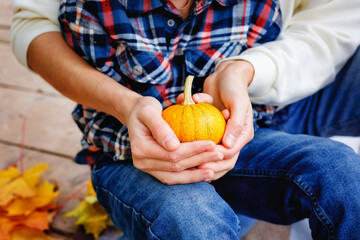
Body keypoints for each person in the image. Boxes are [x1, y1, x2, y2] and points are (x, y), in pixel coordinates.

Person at [10, 0, 360, 239]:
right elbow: (36, 30)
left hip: (243, 141)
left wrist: (240, 73)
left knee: (340, 168)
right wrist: (127, 106)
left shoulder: (259, 7)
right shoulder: (91, 10)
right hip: (131, 157)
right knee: (193, 221)